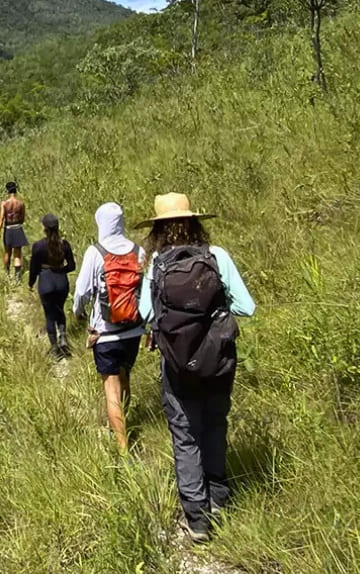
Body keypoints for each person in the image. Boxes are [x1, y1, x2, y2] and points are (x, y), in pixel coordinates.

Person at [137, 192, 255, 544]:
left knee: (186, 436)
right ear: (194, 222)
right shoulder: (217, 257)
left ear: (158, 229)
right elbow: (247, 307)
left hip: (177, 367)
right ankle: (219, 496)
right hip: (219, 361)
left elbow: (146, 315)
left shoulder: (156, 265)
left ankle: (197, 518)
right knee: (216, 424)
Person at [73, 202, 146, 455]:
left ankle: (122, 447)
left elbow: (82, 291)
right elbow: (145, 291)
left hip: (105, 332)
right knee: (125, 377)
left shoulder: (95, 252)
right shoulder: (139, 251)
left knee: (111, 387)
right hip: (134, 330)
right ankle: (124, 422)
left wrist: (77, 312)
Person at [28, 214, 76, 359]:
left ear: (44, 228)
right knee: (60, 311)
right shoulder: (64, 244)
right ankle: (63, 338)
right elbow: (72, 266)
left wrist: (31, 283)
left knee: (49, 316)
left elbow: (34, 268)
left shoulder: (38, 246)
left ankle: (55, 348)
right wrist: (61, 271)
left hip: (46, 281)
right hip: (62, 282)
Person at [0, 182, 28, 283]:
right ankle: (17, 277)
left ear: (7, 191)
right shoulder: (21, 203)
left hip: (8, 229)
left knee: (7, 252)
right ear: (16, 190)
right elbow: (23, 217)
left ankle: (7, 274)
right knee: (17, 254)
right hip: (18, 228)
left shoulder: (4, 204)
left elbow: (1, 218)